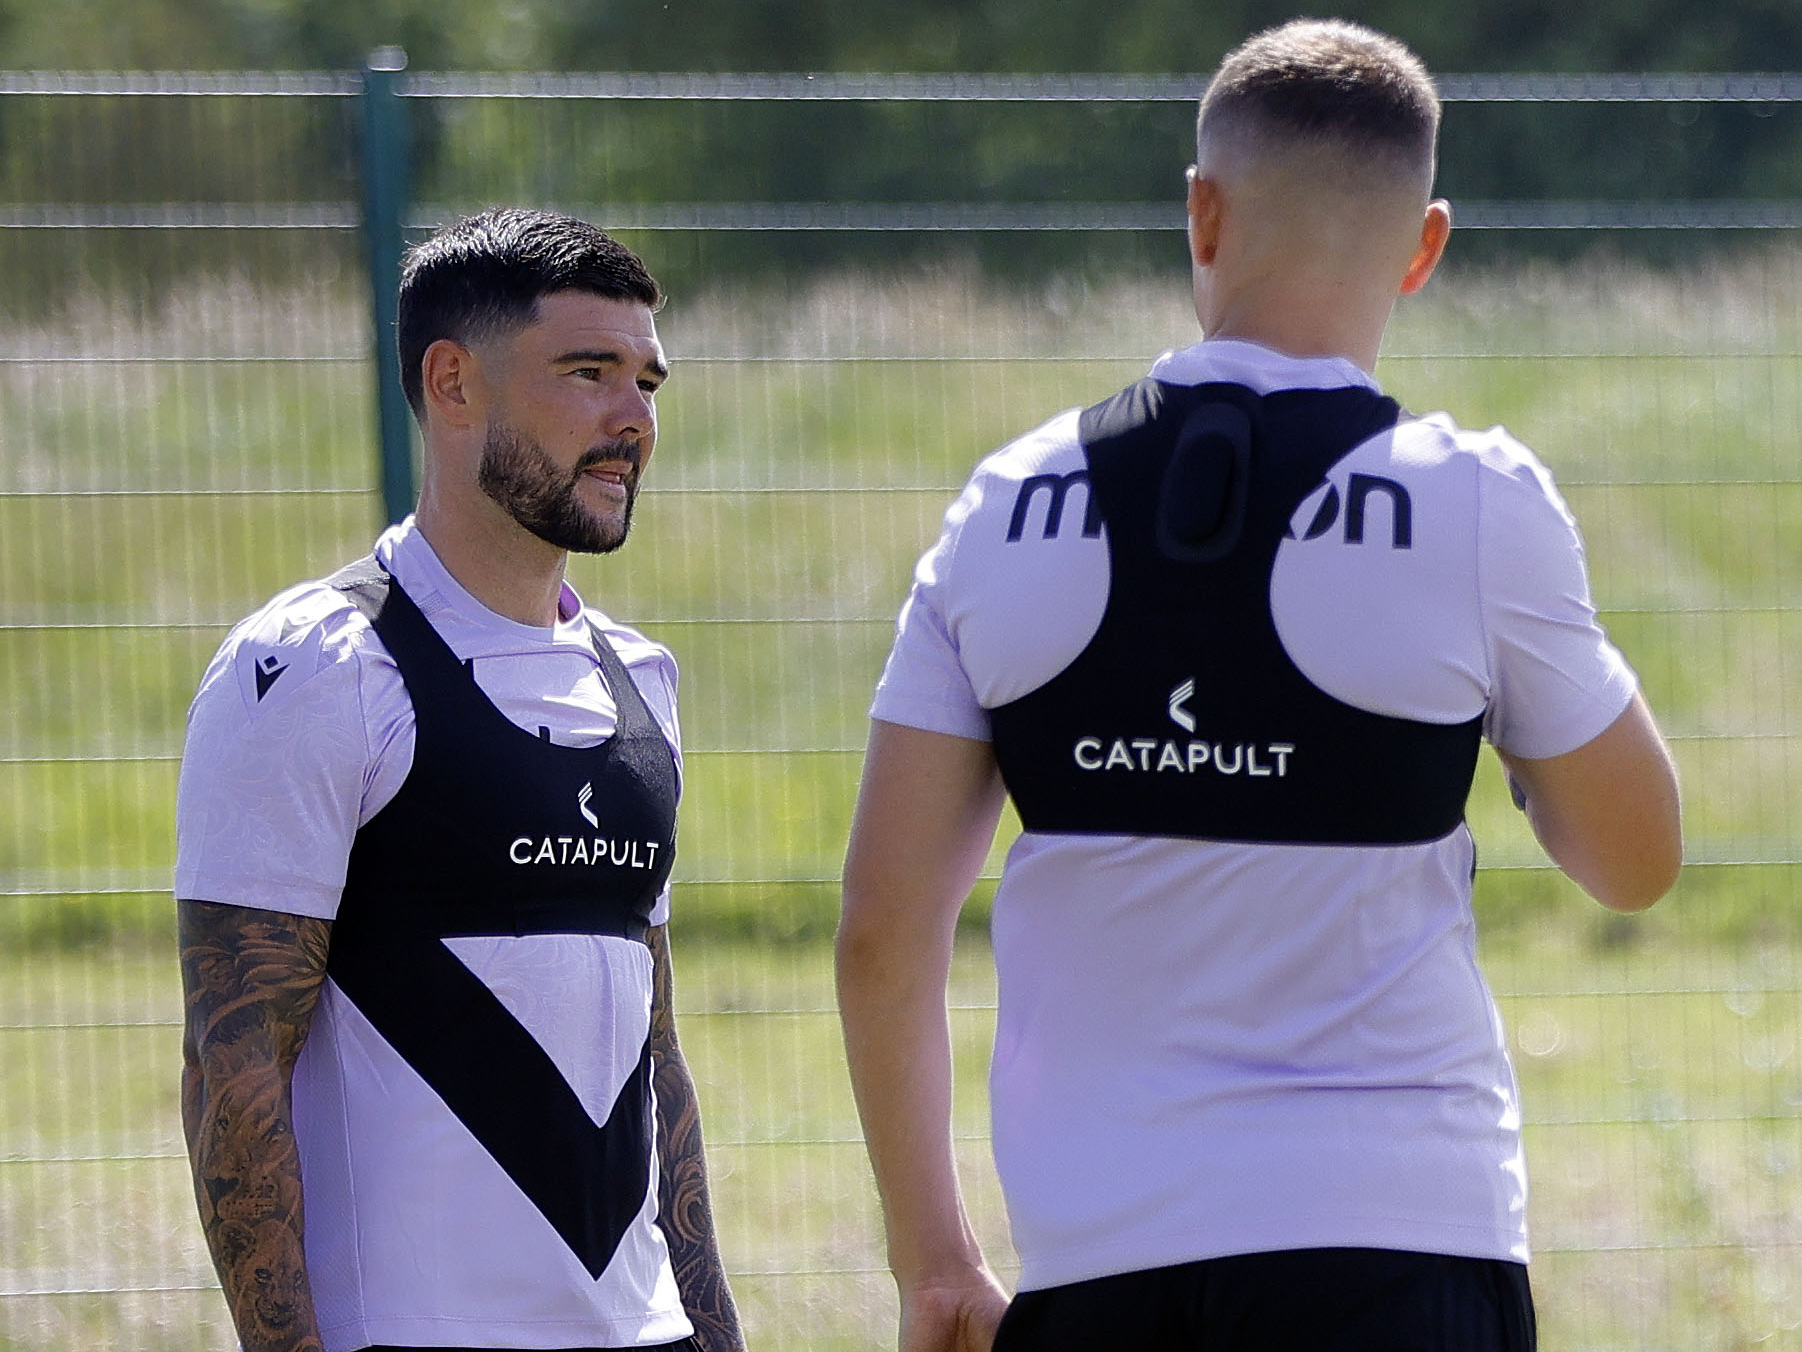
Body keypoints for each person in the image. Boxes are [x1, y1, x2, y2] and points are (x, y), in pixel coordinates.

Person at [837, 19, 1682, 1352]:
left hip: (1099, 1262)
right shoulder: (1477, 502)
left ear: (1200, 212)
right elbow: (1634, 862)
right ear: (1424, 244)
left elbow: (884, 930)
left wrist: (934, 1264)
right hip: (1404, 1248)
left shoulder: (1000, 508)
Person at [177, 207, 745, 1352]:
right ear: (453, 384)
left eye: (646, 380)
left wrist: (710, 1326)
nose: (630, 417)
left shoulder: (641, 679)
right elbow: (233, 1063)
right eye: (587, 371)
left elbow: (654, 1057)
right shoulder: (315, 668)